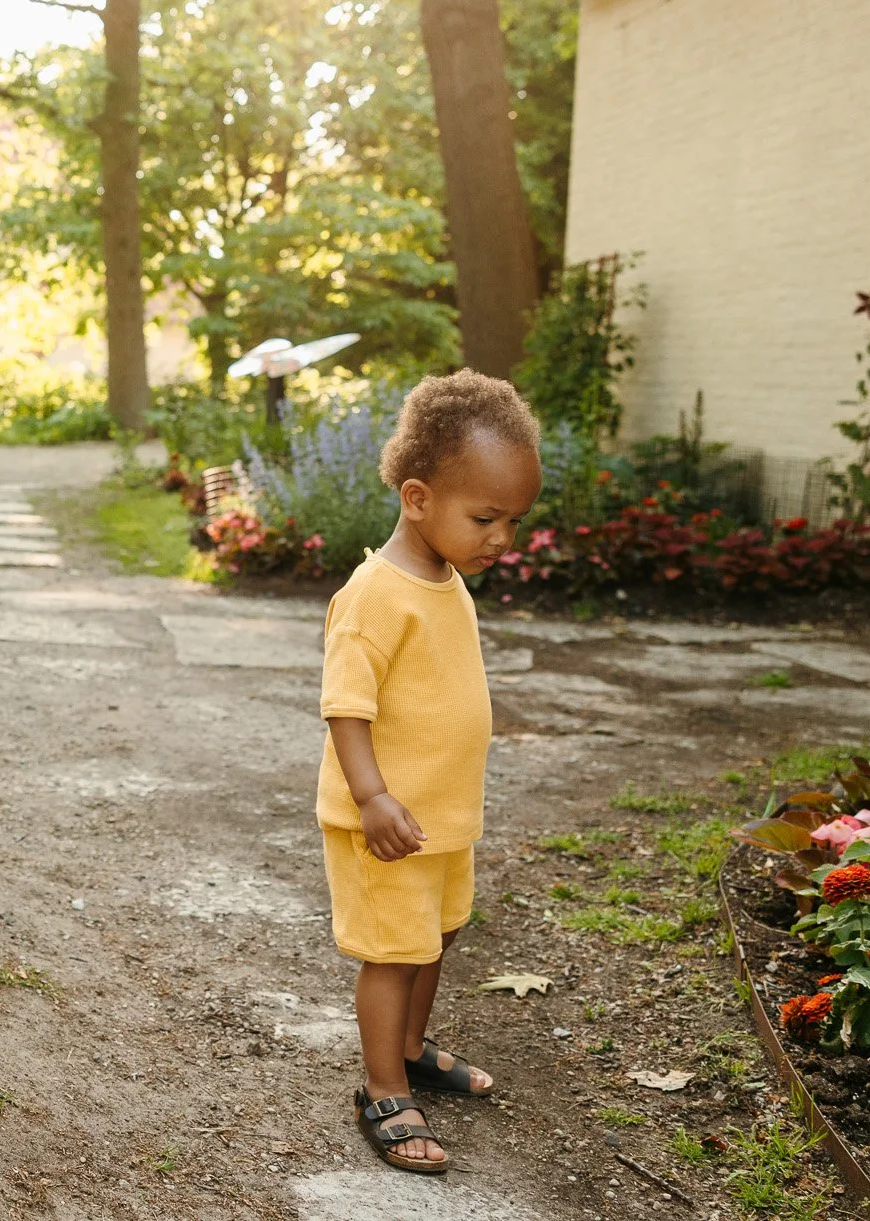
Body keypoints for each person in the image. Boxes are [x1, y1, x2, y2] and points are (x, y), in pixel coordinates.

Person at [316, 370, 541, 1174]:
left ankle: (409, 1048)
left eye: (513, 521)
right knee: (393, 950)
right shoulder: (375, 594)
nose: (501, 538)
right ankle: (382, 1088)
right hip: (387, 821)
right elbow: (346, 707)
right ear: (417, 498)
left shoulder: (447, 579)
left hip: (441, 818)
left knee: (436, 934)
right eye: (485, 518)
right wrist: (372, 796)